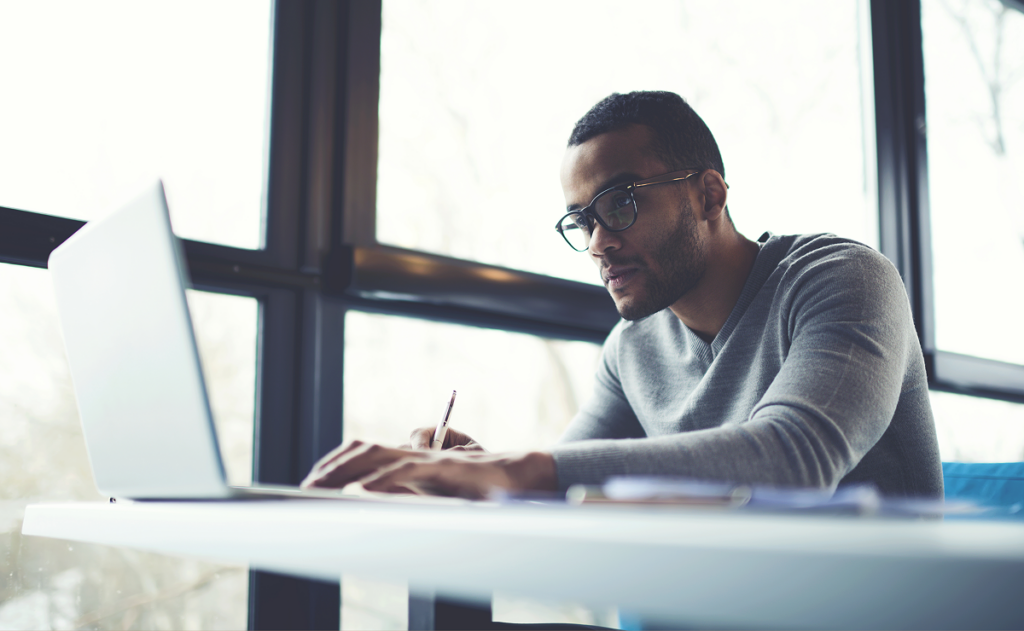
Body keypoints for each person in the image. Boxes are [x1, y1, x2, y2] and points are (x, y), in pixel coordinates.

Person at [302, 90, 943, 500]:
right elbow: (570, 478)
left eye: (623, 203)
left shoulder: (841, 279)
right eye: (583, 221)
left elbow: (796, 457)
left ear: (710, 195)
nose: (599, 242)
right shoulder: (631, 349)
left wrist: (522, 470)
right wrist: (481, 472)